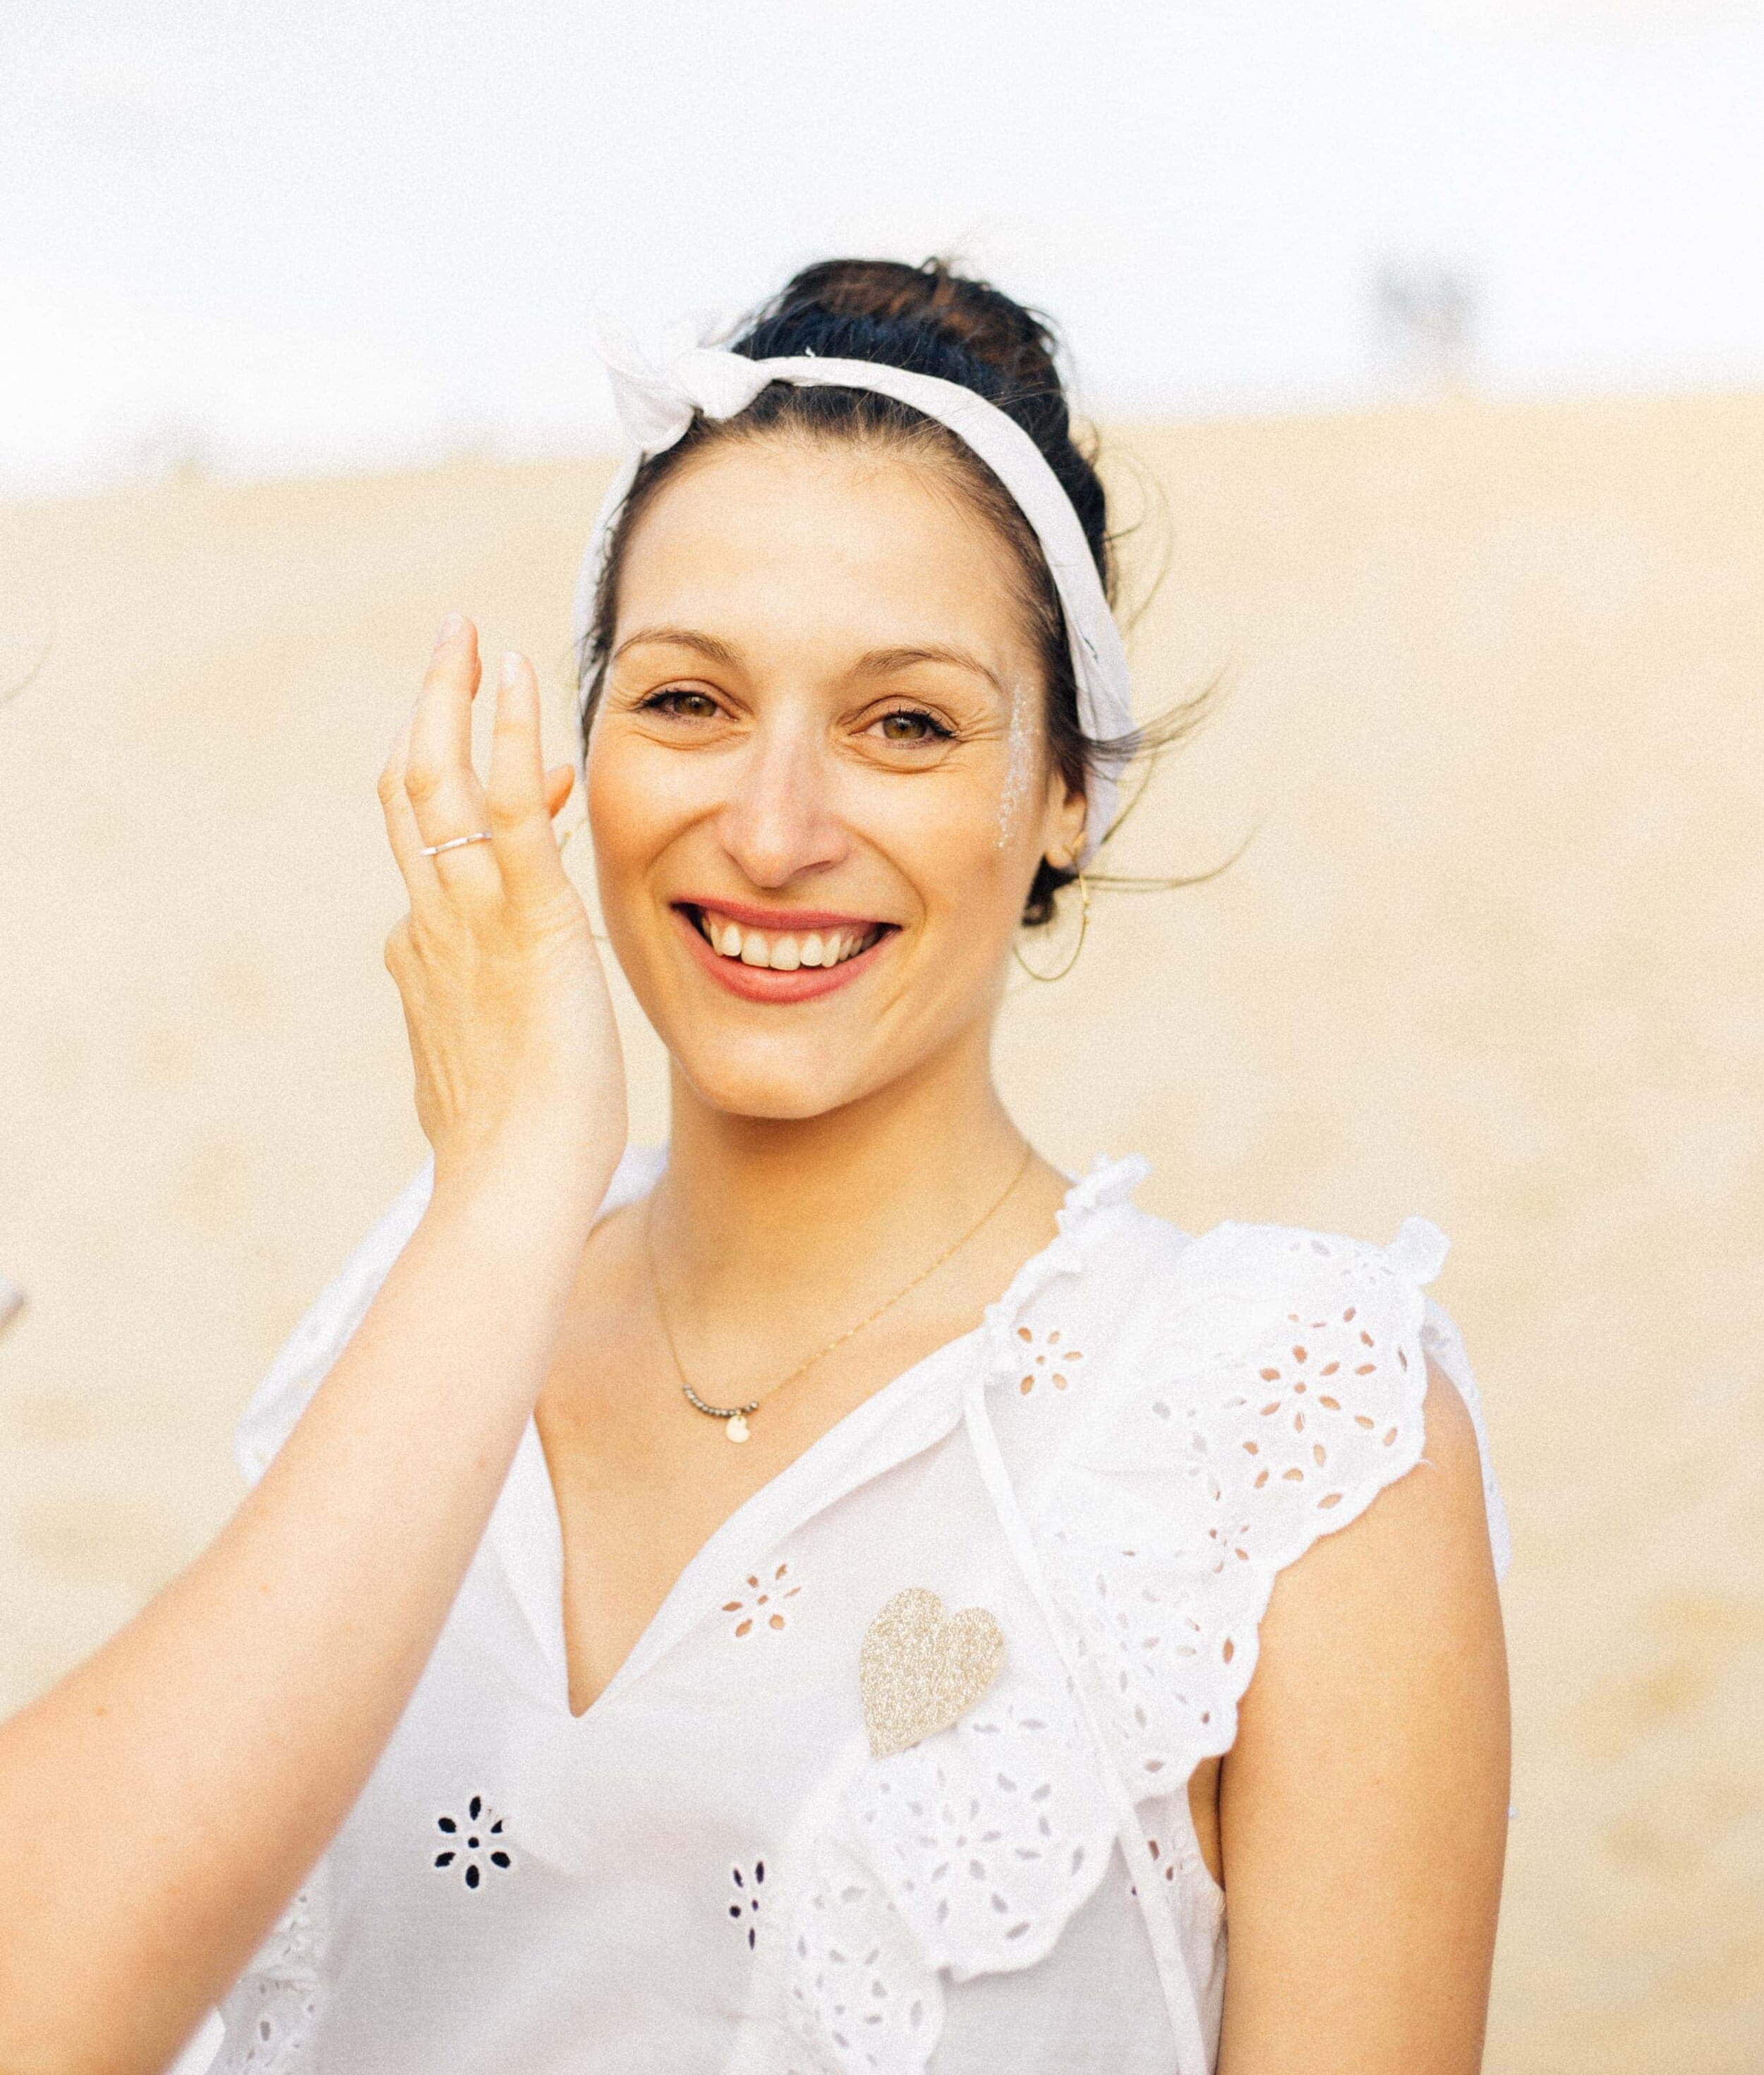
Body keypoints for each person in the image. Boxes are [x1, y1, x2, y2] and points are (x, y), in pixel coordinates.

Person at [0, 259, 1509, 2075]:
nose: (776, 828)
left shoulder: (1279, 1421)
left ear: (1062, 794)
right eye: (689, 703)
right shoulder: (407, 1320)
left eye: (907, 725)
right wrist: (506, 1180)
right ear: (584, 755)